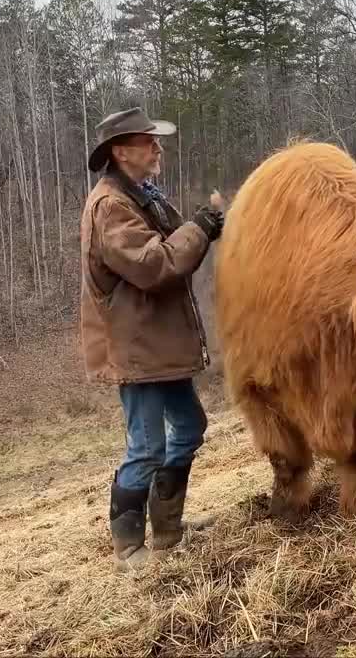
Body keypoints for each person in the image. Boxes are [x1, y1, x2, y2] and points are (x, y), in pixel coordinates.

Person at [78, 107, 225, 570]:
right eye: (149, 142)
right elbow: (152, 266)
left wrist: (204, 228)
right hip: (137, 347)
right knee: (146, 448)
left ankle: (166, 528)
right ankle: (128, 547)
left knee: (188, 428)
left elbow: (176, 244)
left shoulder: (143, 195)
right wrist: (201, 227)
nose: (158, 148)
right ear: (122, 152)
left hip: (159, 344)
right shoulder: (111, 206)